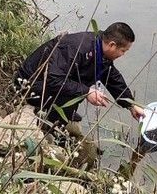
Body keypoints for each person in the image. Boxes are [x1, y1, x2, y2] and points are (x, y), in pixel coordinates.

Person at [14, 22, 145, 166]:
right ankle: (52, 128)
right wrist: (86, 91)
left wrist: (131, 105)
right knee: (75, 91)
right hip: (31, 85)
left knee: (78, 88)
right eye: (123, 51)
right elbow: (53, 79)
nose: (123, 55)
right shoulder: (76, 48)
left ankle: (62, 119)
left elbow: (112, 78)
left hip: (50, 84)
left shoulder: (100, 49)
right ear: (112, 45)